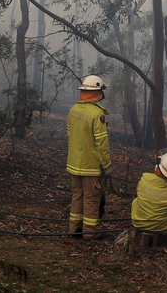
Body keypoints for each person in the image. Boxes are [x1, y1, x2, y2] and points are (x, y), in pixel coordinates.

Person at [66, 75, 112, 239]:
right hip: (91, 167)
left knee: (77, 196)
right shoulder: (97, 114)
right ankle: (90, 233)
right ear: (97, 92)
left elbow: (70, 134)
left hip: (74, 164)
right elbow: (102, 143)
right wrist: (107, 165)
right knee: (92, 199)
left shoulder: (73, 110)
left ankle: (75, 229)